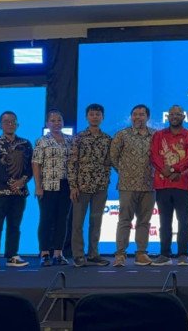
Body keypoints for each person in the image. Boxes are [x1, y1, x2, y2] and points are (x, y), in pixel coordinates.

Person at [110, 104, 156, 267]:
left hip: (149, 185)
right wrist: (125, 172)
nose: (138, 117)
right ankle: (120, 254)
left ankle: (141, 253)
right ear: (131, 117)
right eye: (135, 114)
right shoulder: (122, 135)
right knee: (124, 220)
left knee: (144, 221)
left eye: (141, 114)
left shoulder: (155, 135)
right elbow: (113, 157)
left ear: (147, 117)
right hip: (127, 185)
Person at [0, 111, 33, 269]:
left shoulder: (26, 143)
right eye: (6, 122)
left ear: (18, 124)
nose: (10, 124)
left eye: (13, 121)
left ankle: (12, 255)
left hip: (20, 191)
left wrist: (22, 182)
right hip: (0, 191)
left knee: (15, 225)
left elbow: (30, 167)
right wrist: (12, 182)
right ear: (0, 125)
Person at [150, 105, 188, 266]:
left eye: (178, 114)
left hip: (182, 184)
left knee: (183, 221)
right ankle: (165, 254)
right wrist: (167, 171)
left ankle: (183, 254)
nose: (174, 116)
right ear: (168, 117)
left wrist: (174, 170)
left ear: (183, 117)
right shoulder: (159, 135)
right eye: (172, 114)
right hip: (162, 184)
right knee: (164, 221)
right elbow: (154, 156)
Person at [68, 103, 112, 268]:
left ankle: (94, 254)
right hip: (82, 186)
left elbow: (110, 161)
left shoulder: (107, 139)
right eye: (92, 114)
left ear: (102, 117)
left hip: (101, 186)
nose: (95, 117)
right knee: (78, 223)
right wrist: (73, 186)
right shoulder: (78, 137)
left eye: (98, 114)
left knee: (96, 222)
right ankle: (78, 255)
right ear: (87, 117)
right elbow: (72, 163)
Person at [32, 110, 73, 267]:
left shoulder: (70, 140)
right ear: (47, 124)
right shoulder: (42, 141)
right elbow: (36, 164)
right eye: (53, 120)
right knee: (46, 219)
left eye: (59, 120)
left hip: (66, 185)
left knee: (62, 219)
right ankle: (44, 253)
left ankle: (58, 253)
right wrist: (38, 186)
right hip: (47, 185)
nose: (56, 123)